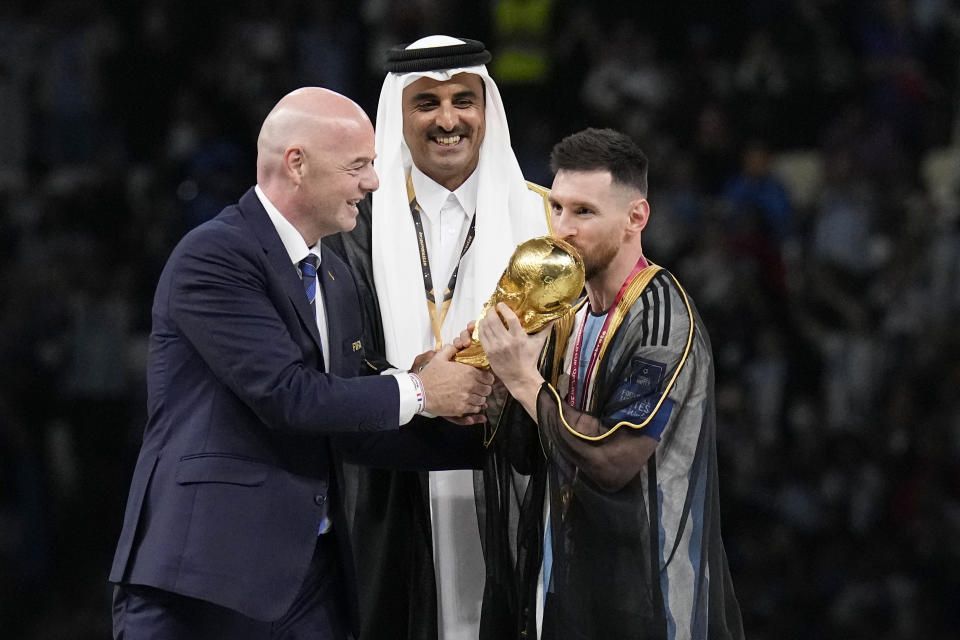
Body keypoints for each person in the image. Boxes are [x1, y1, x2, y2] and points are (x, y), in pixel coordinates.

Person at [108, 87, 495, 640]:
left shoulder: (332, 277)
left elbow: (347, 425)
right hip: (204, 580)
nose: (373, 182)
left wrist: (491, 432)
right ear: (297, 164)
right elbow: (288, 395)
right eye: (358, 165)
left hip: (310, 583)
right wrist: (420, 390)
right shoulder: (214, 255)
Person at [476, 128, 744, 639]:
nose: (562, 228)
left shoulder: (663, 320)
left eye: (584, 212)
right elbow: (527, 447)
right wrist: (489, 375)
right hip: (569, 587)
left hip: (650, 601)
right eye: (556, 207)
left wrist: (522, 378)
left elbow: (613, 459)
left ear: (635, 218)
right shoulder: (568, 312)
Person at [326, 36, 551, 640]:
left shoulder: (544, 221)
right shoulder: (352, 226)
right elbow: (331, 365)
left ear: (488, 108)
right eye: (426, 102)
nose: (448, 120)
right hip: (389, 492)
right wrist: (422, 387)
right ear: (398, 114)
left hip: (516, 483)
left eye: (463, 100)